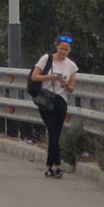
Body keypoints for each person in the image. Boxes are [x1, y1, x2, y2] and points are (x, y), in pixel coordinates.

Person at [32, 34, 77, 178]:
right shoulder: (47, 59)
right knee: (52, 131)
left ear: (69, 50)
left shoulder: (71, 66)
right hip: (46, 100)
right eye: (61, 48)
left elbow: (72, 88)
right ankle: (56, 166)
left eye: (66, 49)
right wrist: (51, 77)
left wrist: (65, 83)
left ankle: (51, 166)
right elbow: (35, 76)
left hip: (61, 101)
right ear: (56, 47)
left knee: (55, 134)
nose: (63, 51)